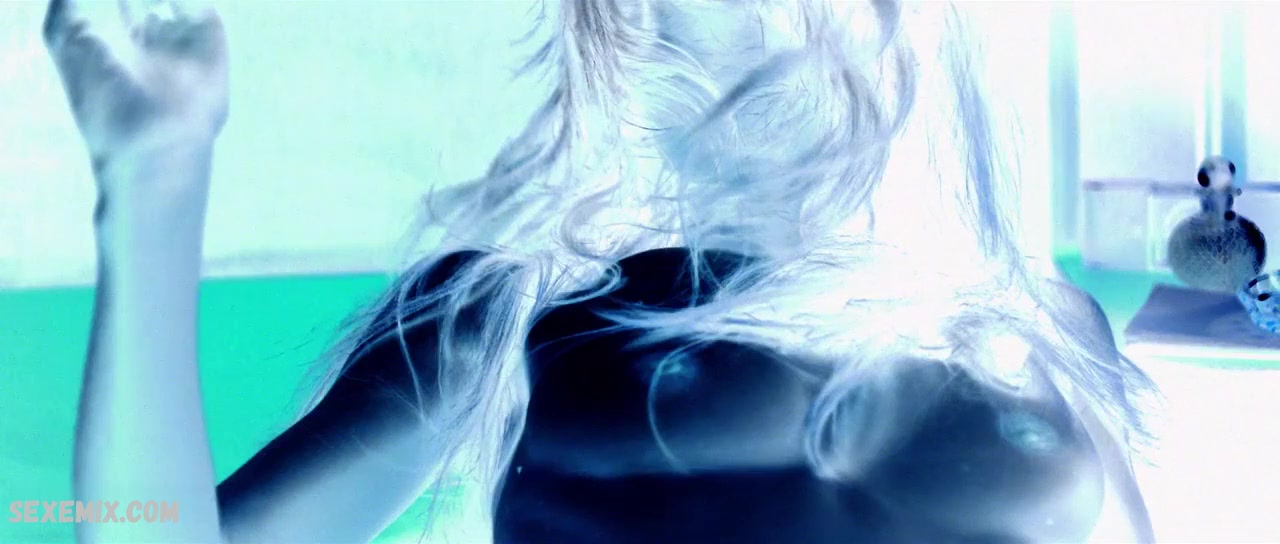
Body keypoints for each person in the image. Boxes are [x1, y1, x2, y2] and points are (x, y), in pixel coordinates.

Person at [45, 0, 1159, 542]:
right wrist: (151, 182)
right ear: (627, 45)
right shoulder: (504, 319)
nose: (773, 34)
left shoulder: (1038, 323)